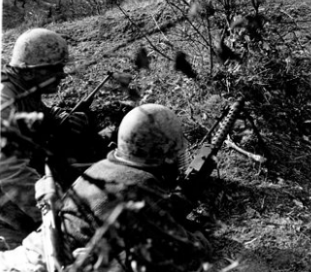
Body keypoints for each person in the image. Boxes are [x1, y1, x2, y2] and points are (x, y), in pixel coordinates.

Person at [0, 103, 210, 272]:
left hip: (24, 255)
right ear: (161, 152)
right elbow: (190, 253)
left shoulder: (101, 168)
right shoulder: (141, 187)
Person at [0, 28, 89, 249]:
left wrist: (63, 117)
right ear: (30, 73)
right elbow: (11, 174)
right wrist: (55, 215)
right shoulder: (5, 102)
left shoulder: (23, 89)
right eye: (54, 69)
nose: (62, 74)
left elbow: (42, 112)